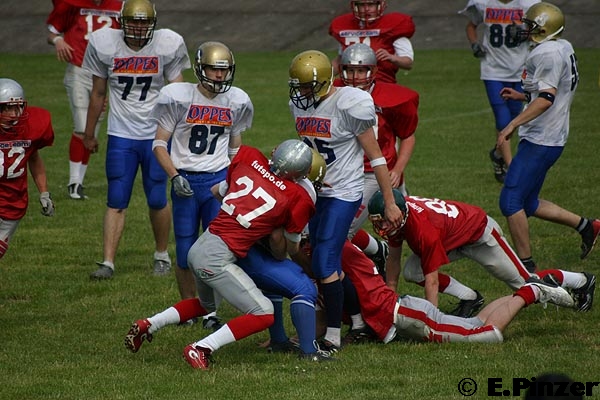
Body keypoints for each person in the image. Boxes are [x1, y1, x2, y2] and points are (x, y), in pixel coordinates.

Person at [125, 140, 332, 368]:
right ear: (301, 174)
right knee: (263, 313)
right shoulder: (296, 195)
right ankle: (201, 348)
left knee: (206, 305)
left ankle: (148, 324)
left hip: (202, 245)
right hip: (218, 258)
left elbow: (216, 191)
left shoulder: (250, 159)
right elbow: (288, 248)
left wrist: (242, 211)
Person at [288, 49, 403, 351]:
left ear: (324, 82)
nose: (301, 93)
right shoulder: (298, 105)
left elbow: (376, 157)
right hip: (316, 191)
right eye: (299, 86)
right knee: (325, 261)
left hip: (344, 192)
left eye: (307, 86)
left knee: (324, 261)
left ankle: (333, 336)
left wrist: (389, 201)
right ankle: (359, 321)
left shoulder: (349, 103)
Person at [82, 0, 191, 279]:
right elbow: (98, 93)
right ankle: (107, 262)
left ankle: (161, 255)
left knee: (157, 197)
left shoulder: (167, 44)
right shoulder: (105, 44)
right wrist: (89, 132)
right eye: (134, 21)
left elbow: (178, 92)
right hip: (121, 133)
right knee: (116, 197)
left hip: (155, 135)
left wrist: (180, 132)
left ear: (153, 23)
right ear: (122, 22)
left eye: (144, 22)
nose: (139, 27)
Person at [367, 189, 596, 316]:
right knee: (412, 271)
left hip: (479, 234)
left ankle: (582, 282)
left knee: (527, 284)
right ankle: (470, 298)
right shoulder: (399, 216)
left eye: (384, 221)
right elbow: (393, 261)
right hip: (451, 237)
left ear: (399, 214)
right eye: (379, 221)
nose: (382, 226)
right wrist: (390, 298)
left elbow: (432, 282)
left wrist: (431, 320)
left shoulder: (423, 229)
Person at [496, 2, 600, 269]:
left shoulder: (547, 53)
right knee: (528, 202)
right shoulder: (562, 46)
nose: (525, 29)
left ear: (544, 28)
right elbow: (554, 89)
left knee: (510, 201)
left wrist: (511, 125)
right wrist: (522, 96)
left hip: (542, 138)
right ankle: (587, 226)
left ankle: (527, 269)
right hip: (549, 136)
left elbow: (546, 98)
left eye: (530, 25)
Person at [151, 41, 253, 310]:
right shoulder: (179, 97)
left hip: (216, 183)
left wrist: (233, 181)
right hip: (185, 179)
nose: (219, 75)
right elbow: (159, 144)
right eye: (213, 69)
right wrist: (174, 175)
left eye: (224, 69)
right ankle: (188, 308)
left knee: (215, 252)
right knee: (185, 251)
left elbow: (236, 149)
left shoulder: (236, 101)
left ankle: (211, 311)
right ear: (199, 68)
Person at [339, 238, 576, 344]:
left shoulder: (331, 249)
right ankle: (529, 288)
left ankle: (534, 292)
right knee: (476, 323)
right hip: (405, 310)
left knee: (488, 335)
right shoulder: (333, 247)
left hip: (405, 315)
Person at [336, 42, 419, 275]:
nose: (355, 77)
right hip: (343, 170)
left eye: (360, 70)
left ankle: (364, 278)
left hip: (374, 173)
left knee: (342, 231)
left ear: (373, 71)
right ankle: (376, 251)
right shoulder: (335, 93)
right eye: (350, 70)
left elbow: (408, 136)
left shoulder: (392, 98)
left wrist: (398, 169)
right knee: (329, 224)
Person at [46, 0, 122, 199]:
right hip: (79, 70)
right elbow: (52, 33)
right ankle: (74, 183)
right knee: (82, 126)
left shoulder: (119, 5)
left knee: (92, 130)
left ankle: (79, 182)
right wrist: (58, 40)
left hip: (105, 74)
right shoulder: (72, 3)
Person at [458, 0, 540, 183]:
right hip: (493, 69)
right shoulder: (483, 3)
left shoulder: (528, 5)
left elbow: (541, 33)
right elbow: (471, 26)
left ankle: (497, 154)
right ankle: (512, 169)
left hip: (520, 68)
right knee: (503, 119)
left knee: (514, 120)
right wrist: (474, 44)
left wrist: (524, 34)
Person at [0, 78, 55, 259]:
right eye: (7, 108)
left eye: (17, 107)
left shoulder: (32, 126)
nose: (13, 114)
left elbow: (34, 157)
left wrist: (44, 193)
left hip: (13, 202)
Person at [329, 0, 415, 84]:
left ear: (381, 5)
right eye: (361, 5)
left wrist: (391, 57)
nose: (366, 9)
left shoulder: (394, 25)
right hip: (351, 83)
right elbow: (340, 60)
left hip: (381, 83)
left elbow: (408, 63)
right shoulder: (344, 26)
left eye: (371, 4)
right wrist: (324, 76)